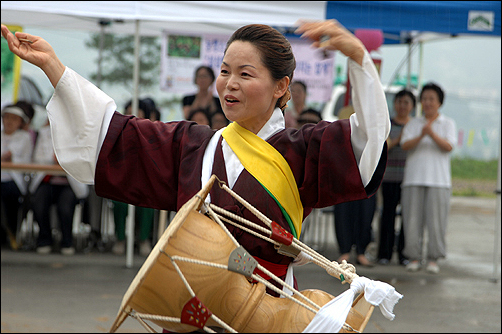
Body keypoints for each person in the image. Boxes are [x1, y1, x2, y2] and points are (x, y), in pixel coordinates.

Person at [1, 20, 390, 296]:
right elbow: (113, 133)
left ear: (280, 86)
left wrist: (358, 59)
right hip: (193, 303)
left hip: (267, 307)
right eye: (224, 71)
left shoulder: (301, 150)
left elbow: (368, 139)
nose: (229, 83)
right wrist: (54, 67)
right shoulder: (192, 146)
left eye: (245, 74)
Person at [400, 82, 457, 274]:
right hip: (413, 179)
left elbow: (449, 146)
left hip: (439, 180)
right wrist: (421, 135)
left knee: (436, 222)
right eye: (424, 99)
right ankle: (413, 257)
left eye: (432, 99)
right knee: (412, 220)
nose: (428, 102)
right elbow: (405, 145)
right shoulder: (413, 123)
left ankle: (434, 258)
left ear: (439, 102)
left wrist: (431, 134)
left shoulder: (447, 123)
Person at [29, 120, 89, 255]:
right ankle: (44, 238)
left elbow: (83, 160)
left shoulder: (81, 134)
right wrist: (52, 159)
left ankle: (67, 241)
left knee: (65, 208)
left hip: (69, 182)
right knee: (39, 203)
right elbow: (37, 157)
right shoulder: (44, 133)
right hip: (47, 180)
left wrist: (63, 160)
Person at [111, 99, 156, 256]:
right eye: (129, 110)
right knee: (119, 203)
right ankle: (120, 239)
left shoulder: (154, 134)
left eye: (137, 111)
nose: (132, 114)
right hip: (123, 184)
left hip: (145, 185)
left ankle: (143, 239)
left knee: (147, 203)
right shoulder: (118, 134)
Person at [377, 89, 416, 266]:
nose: (402, 106)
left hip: (409, 178)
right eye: (399, 102)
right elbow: (384, 147)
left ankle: (403, 254)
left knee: (408, 216)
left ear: (413, 106)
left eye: (406, 102)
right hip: (389, 177)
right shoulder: (388, 125)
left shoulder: (415, 126)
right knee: (388, 215)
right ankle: (384, 253)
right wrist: (400, 138)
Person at [1, 103, 34, 248]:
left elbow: (25, 160)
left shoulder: (24, 137)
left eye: (14, 119)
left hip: (14, 179)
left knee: (11, 196)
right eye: (7, 118)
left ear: (20, 122)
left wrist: (11, 157)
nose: (9, 121)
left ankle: (12, 233)